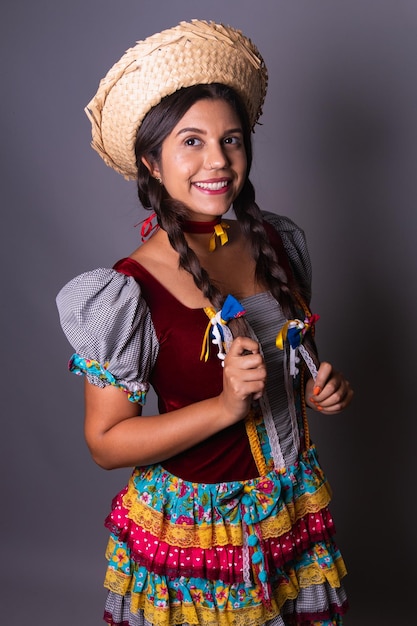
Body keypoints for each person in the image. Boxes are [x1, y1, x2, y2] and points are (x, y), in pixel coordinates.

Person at [56, 19, 353, 626]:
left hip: (289, 508)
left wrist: (322, 388)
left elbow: (294, 359)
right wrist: (222, 408)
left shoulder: (277, 241)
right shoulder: (127, 290)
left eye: (232, 139)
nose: (218, 160)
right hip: (201, 535)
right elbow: (105, 443)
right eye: (191, 141)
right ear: (151, 161)